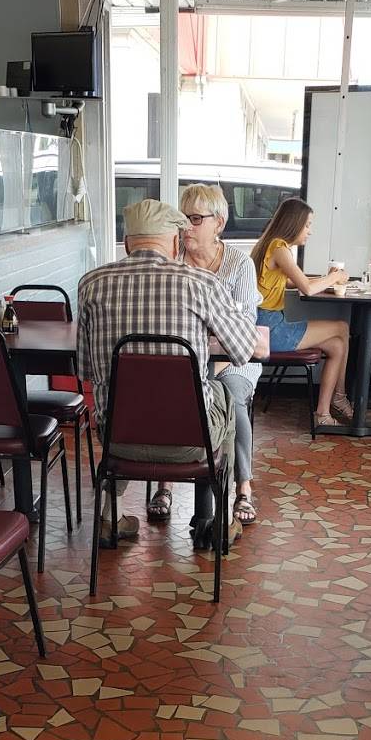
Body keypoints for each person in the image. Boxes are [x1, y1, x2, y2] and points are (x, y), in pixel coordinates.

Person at [77, 198, 265, 549]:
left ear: (127, 242)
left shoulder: (91, 284)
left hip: (118, 440)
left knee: (119, 400)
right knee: (224, 396)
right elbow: (242, 350)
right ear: (176, 242)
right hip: (190, 443)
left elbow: (86, 370)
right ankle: (219, 518)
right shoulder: (202, 283)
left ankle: (110, 514)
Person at [148, 183, 262, 529]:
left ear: (219, 223)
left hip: (233, 362)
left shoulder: (239, 264)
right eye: (182, 219)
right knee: (167, 395)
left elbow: (245, 327)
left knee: (231, 396)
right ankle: (165, 484)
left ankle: (243, 487)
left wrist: (211, 354)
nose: (187, 227)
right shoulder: (172, 261)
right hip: (186, 361)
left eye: (196, 219)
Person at [251, 198, 353, 424]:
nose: (310, 231)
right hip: (269, 329)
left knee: (337, 345)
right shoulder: (279, 248)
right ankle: (340, 397)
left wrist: (326, 278)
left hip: (263, 326)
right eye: (307, 225)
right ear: (293, 223)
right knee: (342, 327)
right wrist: (335, 277)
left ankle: (323, 414)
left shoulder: (269, 244)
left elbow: (291, 282)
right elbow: (306, 288)